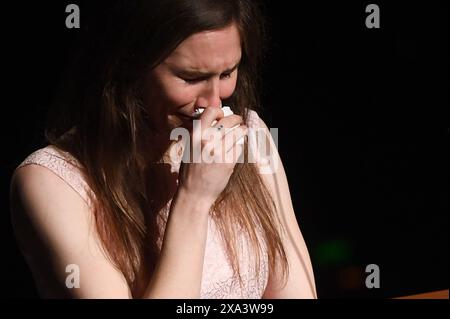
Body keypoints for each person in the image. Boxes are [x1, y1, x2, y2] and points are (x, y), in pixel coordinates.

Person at [10, 0, 317, 299]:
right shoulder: (50, 181)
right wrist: (194, 199)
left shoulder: (252, 133)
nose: (213, 102)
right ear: (130, 65)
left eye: (227, 74)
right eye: (191, 78)